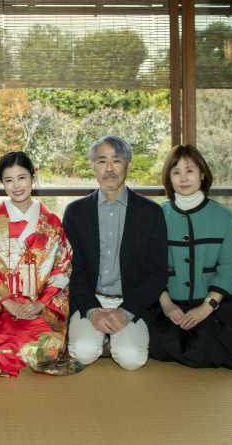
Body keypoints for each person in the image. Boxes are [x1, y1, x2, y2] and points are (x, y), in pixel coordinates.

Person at [146, 144, 232, 369]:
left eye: (190, 170)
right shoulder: (156, 215)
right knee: (160, 344)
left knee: (223, 346)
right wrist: (166, 304)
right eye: (176, 172)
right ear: (169, 178)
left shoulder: (223, 216)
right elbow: (150, 266)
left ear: (202, 174)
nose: (183, 178)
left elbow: (229, 267)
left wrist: (206, 307)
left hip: (212, 303)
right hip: (167, 304)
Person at [0, 151, 78, 377]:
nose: (16, 185)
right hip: (1, 304)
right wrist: (9, 303)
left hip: (41, 304)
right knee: (1, 348)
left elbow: (63, 265)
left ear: (33, 177)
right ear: (2, 184)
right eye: (8, 180)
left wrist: (40, 304)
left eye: (22, 177)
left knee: (44, 347)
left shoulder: (52, 222)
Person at [64, 135, 168, 371]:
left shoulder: (151, 213)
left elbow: (157, 272)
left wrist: (127, 312)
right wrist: (91, 311)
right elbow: (73, 269)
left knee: (131, 360)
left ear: (128, 165)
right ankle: (102, 337)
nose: (109, 168)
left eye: (116, 161)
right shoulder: (76, 212)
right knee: (82, 353)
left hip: (130, 300)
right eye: (102, 161)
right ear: (93, 166)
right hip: (91, 299)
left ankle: (113, 339)